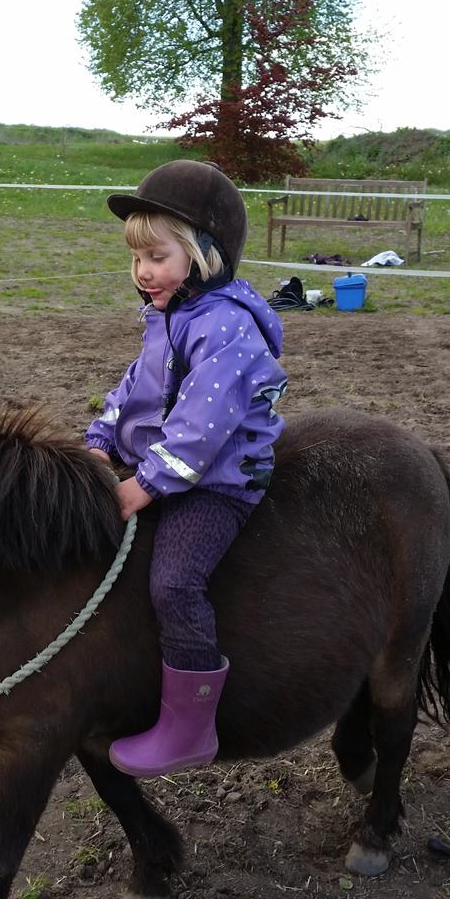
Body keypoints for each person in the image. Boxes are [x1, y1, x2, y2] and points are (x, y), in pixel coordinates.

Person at [85, 160, 287, 778]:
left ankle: (190, 724)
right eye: (136, 258)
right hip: (171, 460)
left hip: (219, 478)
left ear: (205, 256)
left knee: (175, 582)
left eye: (158, 256)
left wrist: (144, 484)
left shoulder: (225, 326)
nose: (143, 271)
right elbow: (134, 389)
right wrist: (100, 440)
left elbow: (202, 426)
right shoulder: (170, 315)